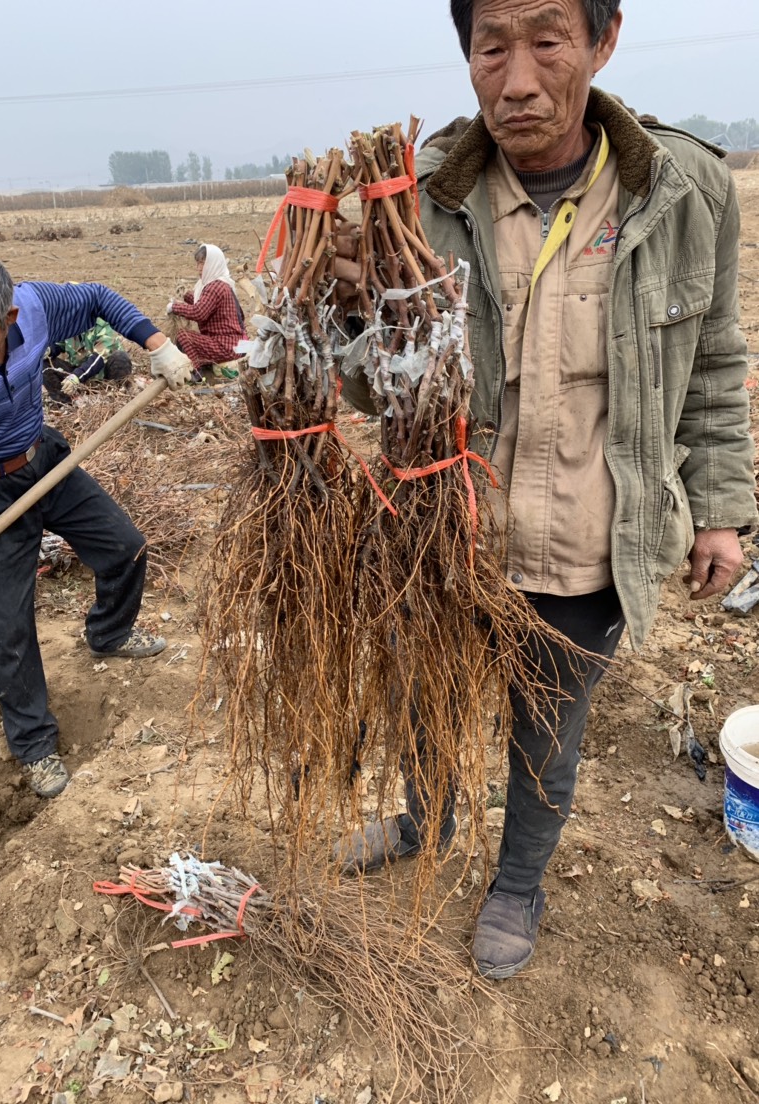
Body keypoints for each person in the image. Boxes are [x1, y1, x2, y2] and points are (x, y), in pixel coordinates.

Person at [337, 0, 757, 978]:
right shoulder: (420, 198)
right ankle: (426, 822)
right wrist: (351, 312)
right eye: (492, 46)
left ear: (602, 42)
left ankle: (517, 882)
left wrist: (726, 509)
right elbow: (373, 387)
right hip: (448, 539)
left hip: (588, 544)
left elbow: (714, 361)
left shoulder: (685, 188)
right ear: (468, 55)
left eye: (546, 41)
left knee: (544, 737)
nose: (516, 77)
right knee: (428, 706)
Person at [0, 252, 193, 799]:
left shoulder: (35, 305)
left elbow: (98, 295)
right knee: (8, 629)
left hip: (44, 460)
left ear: (9, 318)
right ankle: (34, 746)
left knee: (125, 546)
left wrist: (156, 344)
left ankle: (110, 632)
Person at [166, 243, 246, 381]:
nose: (199, 268)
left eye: (203, 263)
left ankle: (196, 373)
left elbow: (199, 312)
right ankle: (204, 366)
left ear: (212, 263)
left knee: (183, 336)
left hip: (225, 346)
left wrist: (174, 307)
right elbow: (204, 303)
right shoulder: (222, 283)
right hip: (234, 344)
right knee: (188, 339)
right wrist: (185, 295)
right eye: (198, 264)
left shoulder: (215, 287)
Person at [42, 317, 133, 404]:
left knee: (120, 357)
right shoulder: (70, 326)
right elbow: (60, 344)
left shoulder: (103, 326)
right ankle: (66, 403)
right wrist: (49, 350)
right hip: (81, 377)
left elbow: (99, 359)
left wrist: (76, 376)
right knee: (43, 363)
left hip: (105, 376)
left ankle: (119, 396)